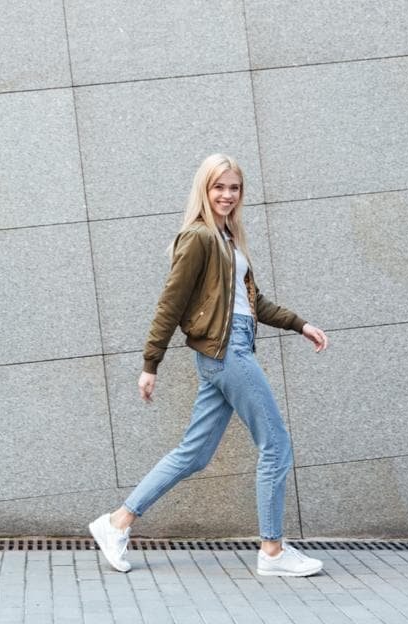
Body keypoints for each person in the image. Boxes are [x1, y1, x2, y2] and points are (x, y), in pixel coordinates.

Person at [89, 154, 329, 576]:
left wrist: (300, 324)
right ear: (204, 189)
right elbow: (171, 303)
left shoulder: (228, 241)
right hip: (226, 352)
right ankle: (272, 551)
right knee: (275, 444)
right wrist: (151, 363)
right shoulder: (198, 237)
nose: (227, 195)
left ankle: (116, 523)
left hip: (224, 352)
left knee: (194, 453)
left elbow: (253, 304)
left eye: (234, 188)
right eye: (219, 187)